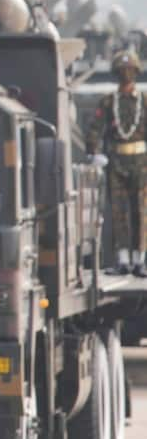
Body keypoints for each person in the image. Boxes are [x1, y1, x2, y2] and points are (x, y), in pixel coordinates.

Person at [87, 49, 147, 276]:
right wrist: (93, 153)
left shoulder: (144, 101)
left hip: (141, 163)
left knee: (141, 212)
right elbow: (95, 128)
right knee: (119, 212)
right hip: (116, 163)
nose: (126, 75)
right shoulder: (108, 102)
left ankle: (139, 260)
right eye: (122, 71)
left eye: (130, 71)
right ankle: (123, 259)